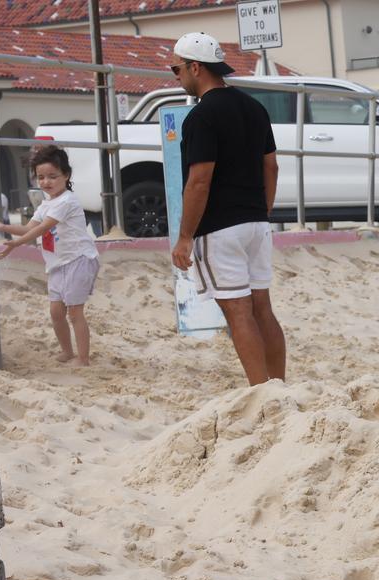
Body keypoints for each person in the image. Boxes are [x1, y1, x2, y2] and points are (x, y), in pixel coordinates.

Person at [168, 31, 286, 386]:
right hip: (256, 222)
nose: (176, 77)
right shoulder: (254, 107)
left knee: (237, 312)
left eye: (176, 70)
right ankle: (278, 384)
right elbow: (272, 167)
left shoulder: (201, 116)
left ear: (195, 67)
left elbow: (199, 181)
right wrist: (261, 210)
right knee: (262, 308)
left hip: (220, 227)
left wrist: (185, 236)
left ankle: (260, 391)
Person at [0, 145, 99, 366]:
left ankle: (83, 358)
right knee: (55, 312)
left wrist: (17, 245)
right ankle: (67, 352)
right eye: (40, 177)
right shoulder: (46, 203)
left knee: (74, 312)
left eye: (52, 176)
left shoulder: (67, 201)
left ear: (66, 175)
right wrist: (2, 225)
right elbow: (29, 227)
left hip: (78, 259)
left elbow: (41, 229)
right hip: (58, 263)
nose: (46, 182)